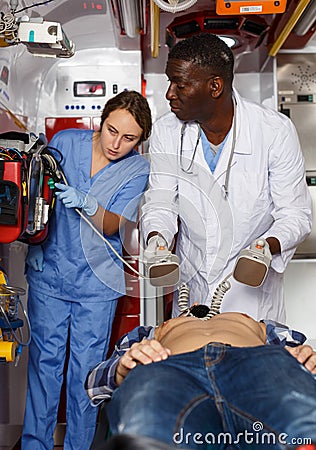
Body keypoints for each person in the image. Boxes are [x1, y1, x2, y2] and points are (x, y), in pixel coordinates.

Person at [140, 32, 312, 321]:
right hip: (193, 285)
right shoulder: (167, 131)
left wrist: (265, 246)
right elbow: (161, 200)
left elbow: (295, 214)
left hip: (250, 291)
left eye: (180, 84)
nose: (170, 93)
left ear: (215, 87)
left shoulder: (273, 131)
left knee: (252, 361)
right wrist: (157, 239)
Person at [22, 90, 152, 450]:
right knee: (44, 368)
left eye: (129, 138)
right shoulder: (65, 142)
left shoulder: (138, 168)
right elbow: (34, 193)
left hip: (96, 285)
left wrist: (88, 202)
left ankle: (79, 446)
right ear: (102, 120)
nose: (117, 143)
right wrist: (32, 243)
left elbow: (112, 224)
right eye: (112, 131)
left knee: (86, 374)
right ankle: (36, 445)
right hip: (50, 272)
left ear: (140, 140)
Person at [86, 306, 316, 449]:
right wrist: (120, 370)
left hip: (254, 360)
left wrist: (307, 358)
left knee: (298, 415)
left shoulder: (263, 325)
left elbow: (302, 355)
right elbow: (93, 384)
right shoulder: (148, 332)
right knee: (148, 424)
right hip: (169, 367)